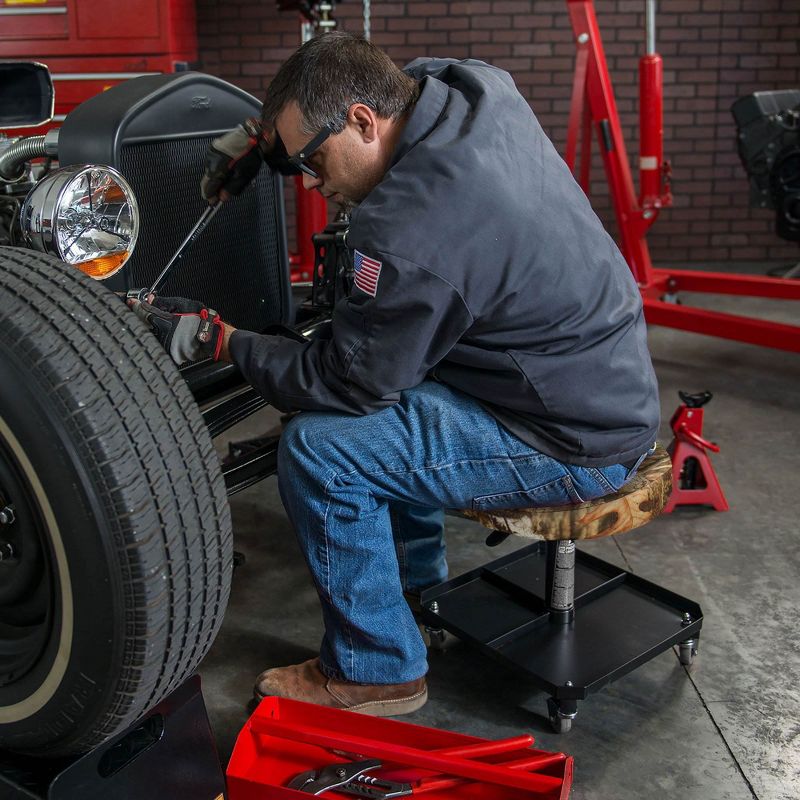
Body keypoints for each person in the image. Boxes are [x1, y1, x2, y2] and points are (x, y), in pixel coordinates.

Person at [130, 32, 660, 717]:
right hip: (593, 381)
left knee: (323, 450)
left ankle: (377, 670)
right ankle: (414, 591)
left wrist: (221, 341)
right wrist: (273, 143)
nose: (314, 184)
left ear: (361, 120)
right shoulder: (471, 87)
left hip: (570, 441)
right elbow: (389, 83)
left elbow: (345, 385)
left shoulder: (408, 230)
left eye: (313, 162)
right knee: (392, 394)